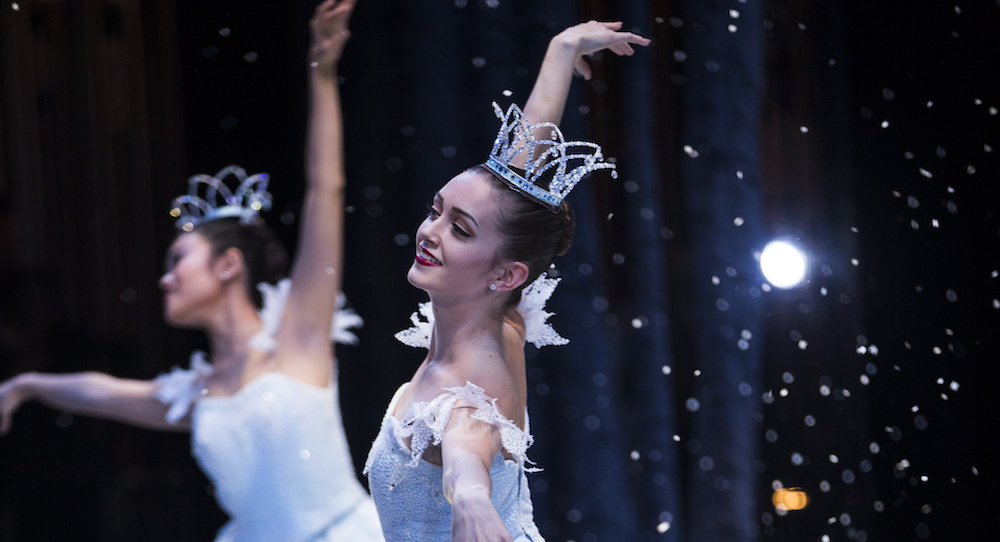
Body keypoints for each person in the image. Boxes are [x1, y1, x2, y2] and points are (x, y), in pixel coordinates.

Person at [0, 1, 384, 541]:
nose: (165, 279)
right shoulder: (196, 393)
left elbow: (327, 189)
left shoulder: (298, 336)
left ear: (228, 266)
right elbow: (102, 391)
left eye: (177, 261)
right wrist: (27, 384)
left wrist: (321, 73)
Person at [363, 21, 650, 542]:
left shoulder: (467, 389)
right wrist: (561, 51)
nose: (430, 232)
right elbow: (521, 172)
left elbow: (467, 451)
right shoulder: (504, 315)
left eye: (459, 229)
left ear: (506, 274)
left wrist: (471, 498)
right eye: (436, 210)